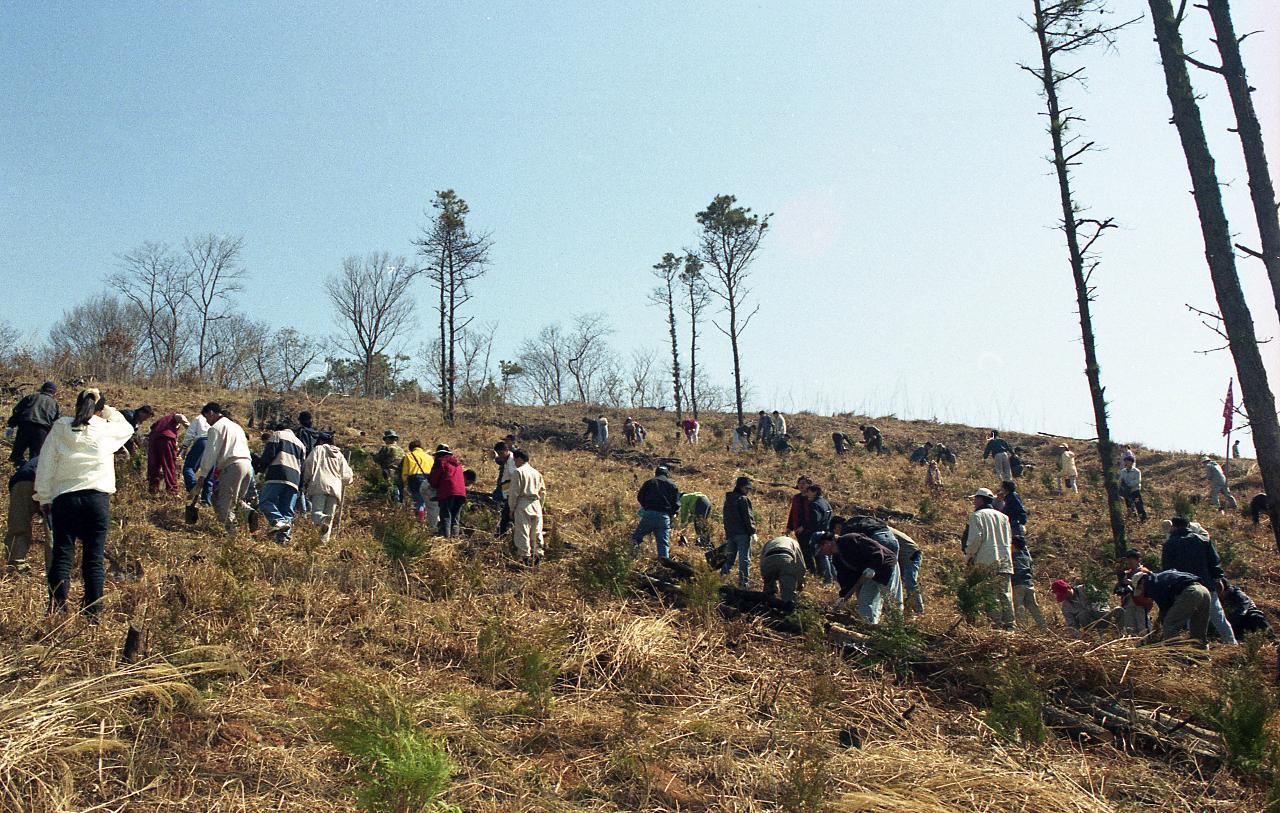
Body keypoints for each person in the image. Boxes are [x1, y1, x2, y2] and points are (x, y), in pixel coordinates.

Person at [34, 388, 135, 618]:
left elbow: (46, 465)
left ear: (77, 406)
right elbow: (127, 427)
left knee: (62, 556)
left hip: (65, 499)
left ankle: (57, 610)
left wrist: (44, 497)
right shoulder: (107, 429)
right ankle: (94, 612)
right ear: (100, 410)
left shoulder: (61, 426)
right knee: (94, 559)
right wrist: (108, 410)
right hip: (97, 500)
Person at [1161, 516, 1237, 644]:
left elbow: (1168, 570)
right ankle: (1232, 643)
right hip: (1207, 584)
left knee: (1193, 620)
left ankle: (1198, 648)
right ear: (1188, 526)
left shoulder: (1169, 545)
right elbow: (1214, 561)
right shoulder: (1203, 540)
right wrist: (1218, 578)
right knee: (1218, 616)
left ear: (1173, 527)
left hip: (1187, 588)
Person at [820, 530, 901, 624]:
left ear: (828, 543)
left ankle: (897, 627)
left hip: (885, 567)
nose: (822, 552)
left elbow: (877, 550)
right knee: (865, 600)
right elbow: (847, 579)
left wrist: (872, 567)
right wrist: (843, 597)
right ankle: (869, 627)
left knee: (890, 600)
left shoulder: (850, 539)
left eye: (821, 548)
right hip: (869, 575)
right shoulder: (837, 559)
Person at [196, 404, 254, 533]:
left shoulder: (216, 428)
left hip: (232, 466)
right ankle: (248, 512)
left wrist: (203, 474)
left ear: (210, 412)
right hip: (247, 466)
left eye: (206, 418)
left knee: (224, 504)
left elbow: (211, 452)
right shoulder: (236, 427)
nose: (207, 422)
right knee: (232, 499)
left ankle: (232, 534)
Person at [963, 487, 1015, 629]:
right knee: (1006, 595)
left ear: (980, 499)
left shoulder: (977, 516)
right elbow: (1009, 540)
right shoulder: (1004, 517)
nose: (974, 502)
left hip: (986, 562)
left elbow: (975, 540)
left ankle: (997, 627)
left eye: (975, 499)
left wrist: (968, 558)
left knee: (991, 596)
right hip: (1005, 562)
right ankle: (1010, 627)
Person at [1132, 570, 1212, 648]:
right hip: (1203, 590)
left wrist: (1158, 624)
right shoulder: (1163, 576)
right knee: (1198, 631)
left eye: (1140, 588)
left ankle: (1177, 657)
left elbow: (1165, 608)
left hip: (1190, 593)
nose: (1142, 591)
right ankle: (1203, 657)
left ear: (1142, 581)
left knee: (1170, 625)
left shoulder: (1151, 584)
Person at [258, 421, 307, 544]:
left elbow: (269, 454)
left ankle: (278, 521)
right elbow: (303, 466)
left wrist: (261, 469)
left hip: (278, 473)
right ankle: (283, 540)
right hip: (294, 479)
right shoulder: (301, 444)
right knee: (287, 509)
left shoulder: (277, 435)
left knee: (265, 501)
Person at [301, 433, 352, 544]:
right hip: (335, 489)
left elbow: (309, 465)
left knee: (317, 513)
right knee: (330, 518)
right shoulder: (339, 455)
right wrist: (345, 482)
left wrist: (305, 480)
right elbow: (348, 476)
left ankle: (321, 519)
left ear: (320, 441)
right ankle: (323, 544)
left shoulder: (318, 449)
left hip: (319, 485)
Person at [4, 455, 43, 573]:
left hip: (23, 479)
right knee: (55, 528)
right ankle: (56, 568)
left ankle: (16, 562)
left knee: (19, 523)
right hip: (44, 479)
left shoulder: (53, 447)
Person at [631, 466, 680, 559]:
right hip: (664, 517)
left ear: (656, 473)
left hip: (650, 514)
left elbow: (640, 497)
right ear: (667, 474)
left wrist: (646, 507)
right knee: (663, 543)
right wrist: (670, 514)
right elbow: (676, 504)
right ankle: (664, 565)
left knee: (636, 538)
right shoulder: (672, 485)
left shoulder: (649, 482)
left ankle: (632, 559)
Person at [507, 449, 546, 566]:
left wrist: (511, 508)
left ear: (519, 459)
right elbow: (543, 492)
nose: (514, 462)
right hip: (536, 504)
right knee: (537, 532)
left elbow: (514, 493)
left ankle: (525, 559)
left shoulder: (518, 472)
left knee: (522, 532)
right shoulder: (537, 473)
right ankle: (538, 556)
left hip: (522, 504)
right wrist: (541, 506)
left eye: (515, 460)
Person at [7, 381, 59, 464]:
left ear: (42, 389)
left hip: (25, 427)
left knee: (16, 455)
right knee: (35, 459)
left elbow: (17, 411)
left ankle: (20, 469)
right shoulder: (54, 404)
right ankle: (27, 471)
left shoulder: (31, 397)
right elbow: (57, 421)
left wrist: (10, 425)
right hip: (42, 431)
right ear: (54, 392)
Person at [1050, 580, 1118, 637]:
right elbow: (1072, 625)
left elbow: (1102, 601)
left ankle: (1120, 633)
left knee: (1119, 611)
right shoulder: (1066, 607)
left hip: (1103, 616)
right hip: (1090, 627)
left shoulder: (1086, 588)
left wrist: (1099, 612)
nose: (1066, 596)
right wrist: (1079, 636)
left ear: (1069, 587)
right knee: (1083, 614)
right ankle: (1094, 636)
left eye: (1065, 593)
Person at [722, 476, 756, 587]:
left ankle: (720, 579)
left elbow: (725, 518)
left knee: (729, 559)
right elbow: (748, 517)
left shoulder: (728, 499)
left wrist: (728, 532)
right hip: (743, 534)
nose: (748, 491)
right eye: (747, 488)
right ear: (741, 487)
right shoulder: (743, 499)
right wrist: (752, 532)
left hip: (731, 534)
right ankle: (743, 584)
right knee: (744, 560)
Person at [427, 444, 467, 538]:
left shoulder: (440, 462)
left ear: (438, 454)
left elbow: (433, 479)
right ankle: (455, 539)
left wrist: (433, 486)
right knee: (455, 517)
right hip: (461, 493)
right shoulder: (457, 463)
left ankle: (446, 540)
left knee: (446, 516)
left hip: (447, 492)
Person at [145, 413, 188, 494]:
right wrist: (188, 426)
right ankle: (172, 490)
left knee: (153, 465)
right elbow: (180, 417)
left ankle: (153, 489)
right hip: (165, 440)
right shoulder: (173, 416)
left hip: (153, 440)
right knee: (169, 465)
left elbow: (152, 428)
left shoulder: (160, 421)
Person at [800, 484, 835, 584]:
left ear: (815, 492)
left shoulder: (814, 504)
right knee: (829, 557)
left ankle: (828, 580)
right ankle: (834, 579)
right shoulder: (825, 502)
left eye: (809, 492)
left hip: (819, 533)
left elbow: (815, 520)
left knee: (823, 556)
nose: (807, 495)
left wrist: (805, 527)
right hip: (828, 532)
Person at [1010, 538, 1047, 629]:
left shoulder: (1013, 556)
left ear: (1013, 545)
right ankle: (1044, 627)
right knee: (1034, 607)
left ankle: (1023, 630)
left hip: (1017, 584)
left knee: (1019, 608)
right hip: (1029, 584)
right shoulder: (1026, 556)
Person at [181, 406, 215, 505]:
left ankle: (193, 487)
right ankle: (206, 501)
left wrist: (184, 447)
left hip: (202, 442)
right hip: (214, 445)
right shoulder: (217, 421)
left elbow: (190, 433)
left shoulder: (199, 418)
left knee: (189, 467)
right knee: (209, 474)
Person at [760, 536, 806, 606]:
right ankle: (787, 611)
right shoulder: (795, 543)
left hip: (768, 559)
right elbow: (800, 566)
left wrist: (765, 577)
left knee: (768, 591)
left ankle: (768, 607)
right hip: (786, 559)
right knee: (788, 592)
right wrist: (800, 583)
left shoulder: (770, 542)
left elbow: (762, 561)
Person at [890, 525, 924, 615]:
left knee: (910, 582)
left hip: (912, 555)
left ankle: (919, 611)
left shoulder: (881, 532)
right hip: (903, 555)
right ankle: (907, 608)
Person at [1118, 549, 1153, 634]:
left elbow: (1146, 586)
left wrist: (1131, 582)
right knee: (1130, 627)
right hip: (1128, 603)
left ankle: (1146, 644)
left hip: (1141, 603)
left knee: (1142, 626)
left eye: (1132, 558)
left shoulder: (1144, 572)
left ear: (1138, 560)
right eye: (1128, 559)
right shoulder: (1126, 573)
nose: (1129, 561)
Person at [401, 441, 434, 522]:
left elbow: (405, 471)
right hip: (429, 479)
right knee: (426, 500)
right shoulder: (429, 457)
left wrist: (404, 482)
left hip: (415, 479)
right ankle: (427, 519)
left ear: (410, 448)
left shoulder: (409, 456)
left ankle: (420, 520)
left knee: (418, 500)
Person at [785, 476, 813, 566]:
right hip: (798, 530)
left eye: (804, 483)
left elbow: (812, 516)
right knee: (803, 551)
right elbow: (792, 513)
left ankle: (815, 572)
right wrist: (789, 527)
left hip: (809, 530)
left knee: (809, 553)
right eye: (800, 483)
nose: (801, 485)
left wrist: (804, 526)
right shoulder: (796, 498)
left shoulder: (811, 498)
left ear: (809, 485)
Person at [493, 442, 518, 535]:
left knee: (507, 516)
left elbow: (514, 477)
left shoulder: (513, 460)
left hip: (513, 492)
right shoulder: (506, 460)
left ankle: (502, 535)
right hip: (507, 491)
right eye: (498, 454)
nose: (500, 456)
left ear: (507, 450)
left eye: (501, 453)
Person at [374, 431, 405, 503]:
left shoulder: (386, 448)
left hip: (389, 473)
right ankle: (400, 508)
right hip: (400, 474)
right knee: (399, 492)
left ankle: (394, 508)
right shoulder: (401, 450)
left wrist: (373, 455)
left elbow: (378, 459)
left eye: (385, 439)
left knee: (392, 493)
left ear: (388, 439)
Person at [1118, 457, 1147, 522]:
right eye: (1125, 461)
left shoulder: (1137, 471)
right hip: (1126, 493)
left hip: (1135, 491)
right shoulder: (1123, 471)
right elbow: (1120, 480)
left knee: (1139, 505)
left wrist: (1128, 484)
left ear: (1131, 462)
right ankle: (1133, 520)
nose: (1126, 463)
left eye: (1127, 461)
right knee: (1129, 507)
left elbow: (1137, 481)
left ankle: (1143, 520)